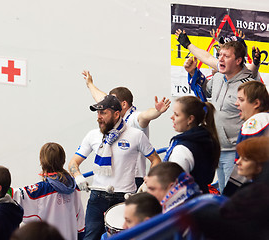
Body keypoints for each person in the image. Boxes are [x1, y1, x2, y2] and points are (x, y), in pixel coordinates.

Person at [68, 94, 161, 240]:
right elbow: (73, 163)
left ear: (117, 114)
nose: (99, 117)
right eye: (98, 113)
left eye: (103, 113)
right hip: (97, 196)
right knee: (90, 237)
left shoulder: (136, 135)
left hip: (125, 197)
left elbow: (156, 160)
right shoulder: (93, 135)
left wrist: (146, 183)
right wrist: (78, 176)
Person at [183, 40, 257, 193]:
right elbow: (205, 92)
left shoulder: (249, 85)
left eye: (226, 56)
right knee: (223, 194)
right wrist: (193, 72)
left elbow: (258, 119)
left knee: (235, 196)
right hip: (217, 149)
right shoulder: (217, 78)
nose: (220, 59)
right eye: (219, 55)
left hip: (237, 153)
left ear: (238, 61)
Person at [83, 70, 170, 188]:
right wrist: (90, 84)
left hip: (134, 178)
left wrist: (157, 112)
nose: (108, 103)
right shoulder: (112, 116)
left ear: (123, 104)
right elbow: (100, 97)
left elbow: (145, 116)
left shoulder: (134, 117)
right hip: (114, 177)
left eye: (113, 101)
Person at [9, 142, 85, 240]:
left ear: (42, 161)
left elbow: (11, 194)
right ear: (63, 160)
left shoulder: (39, 191)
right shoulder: (74, 187)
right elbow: (80, 223)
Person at [163, 96, 220, 193]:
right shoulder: (206, 138)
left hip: (185, 203)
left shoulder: (182, 149)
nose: (171, 117)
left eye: (176, 115)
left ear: (190, 119)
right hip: (201, 197)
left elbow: (174, 185)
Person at [223, 81, 269, 195]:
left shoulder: (254, 123)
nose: (236, 103)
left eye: (241, 100)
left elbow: (242, 170)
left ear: (256, 103)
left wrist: (228, 196)